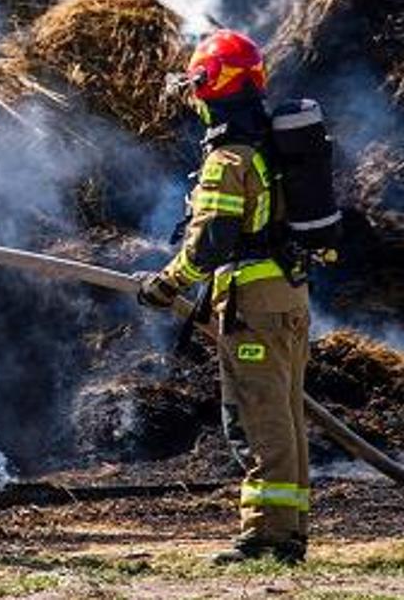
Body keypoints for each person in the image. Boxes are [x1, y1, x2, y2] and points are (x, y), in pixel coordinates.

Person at [138, 30, 314, 565]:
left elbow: (210, 242)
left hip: (253, 306)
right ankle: (290, 532)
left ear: (214, 85)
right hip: (289, 298)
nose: (193, 94)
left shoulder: (228, 158)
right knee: (285, 415)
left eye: (198, 82)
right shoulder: (270, 145)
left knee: (262, 419)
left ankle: (266, 534)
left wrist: (167, 282)